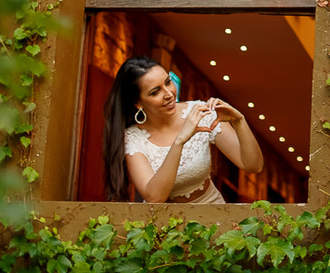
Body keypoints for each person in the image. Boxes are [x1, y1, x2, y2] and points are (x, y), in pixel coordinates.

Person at [102, 56, 263, 203]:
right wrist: (180, 140)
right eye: (155, 92)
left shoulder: (200, 112)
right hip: (163, 226)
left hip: (212, 215)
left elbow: (254, 166)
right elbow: (154, 197)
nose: (169, 94)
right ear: (138, 103)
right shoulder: (132, 138)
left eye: (167, 82)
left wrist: (239, 121)